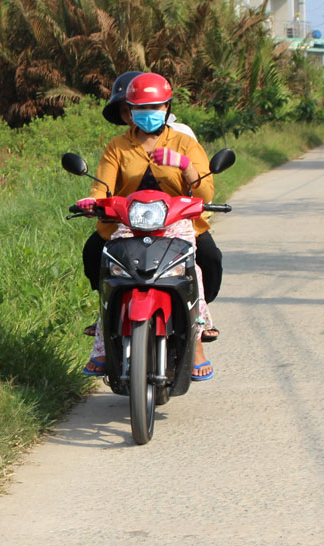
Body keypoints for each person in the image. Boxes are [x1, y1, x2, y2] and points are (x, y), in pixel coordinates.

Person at [78, 72, 223, 380]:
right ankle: (103, 341)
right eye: (139, 108)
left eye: (155, 107)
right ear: (128, 110)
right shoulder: (117, 146)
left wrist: (184, 166)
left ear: (167, 107)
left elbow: (206, 193)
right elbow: (102, 185)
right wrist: (93, 201)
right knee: (106, 262)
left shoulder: (184, 143)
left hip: (176, 219)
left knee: (200, 264)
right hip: (129, 220)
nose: (147, 114)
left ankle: (197, 340)